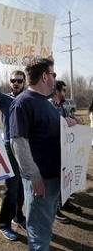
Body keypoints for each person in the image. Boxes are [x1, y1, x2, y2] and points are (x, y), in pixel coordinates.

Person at [9, 58, 76, 250]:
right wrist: (35, 177)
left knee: (44, 226)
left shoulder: (47, 104)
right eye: (53, 74)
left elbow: (50, 130)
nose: (55, 79)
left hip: (54, 179)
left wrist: (66, 123)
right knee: (39, 233)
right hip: (41, 182)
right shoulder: (23, 103)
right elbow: (18, 144)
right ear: (45, 76)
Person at [0, 44, 25, 241]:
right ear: (10, 83)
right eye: (13, 81)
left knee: (22, 186)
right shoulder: (5, 100)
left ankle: (19, 217)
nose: (16, 83)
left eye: (19, 80)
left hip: (26, 149)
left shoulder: (29, 99)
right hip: (10, 147)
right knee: (12, 187)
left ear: (25, 82)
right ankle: (3, 223)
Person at [50, 80, 82, 224]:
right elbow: (51, 124)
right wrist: (64, 121)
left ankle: (65, 202)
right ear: (56, 91)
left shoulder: (62, 105)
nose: (65, 92)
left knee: (65, 178)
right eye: (63, 90)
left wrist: (74, 120)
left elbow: (65, 122)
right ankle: (55, 210)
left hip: (64, 148)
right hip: (52, 149)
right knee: (56, 181)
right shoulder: (49, 105)